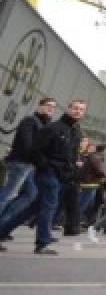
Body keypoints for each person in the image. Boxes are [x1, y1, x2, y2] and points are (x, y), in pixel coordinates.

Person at [7, 99, 86, 255]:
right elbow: (34, 150)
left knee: (32, 208)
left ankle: (2, 231)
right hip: (48, 174)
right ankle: (42, 243)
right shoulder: (53, 128)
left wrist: (71, 172)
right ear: (68, 108)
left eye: (81, 110)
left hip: (61, 176)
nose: (78, 111)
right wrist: (45, 167)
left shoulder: (76, 132)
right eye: (75, 108)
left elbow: (71, 156)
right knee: (49, 207)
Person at [0, 98, 57, 251]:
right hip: (20, 163)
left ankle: (3, 225)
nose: (50, 109)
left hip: (29, 165)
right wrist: (38, 158)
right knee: (8, 195)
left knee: (30, 195)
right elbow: (27, 144)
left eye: (53, 107)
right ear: (40, 106)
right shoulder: (30, 121)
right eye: (48, 106)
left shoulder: (45, 124)